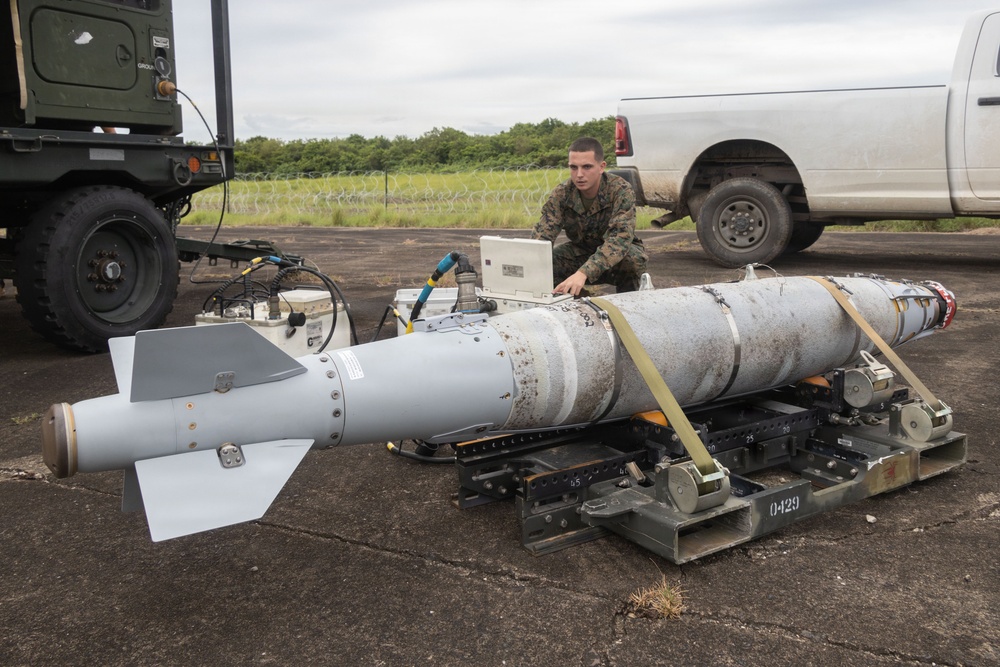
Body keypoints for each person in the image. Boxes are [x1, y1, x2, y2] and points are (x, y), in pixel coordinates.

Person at [531, 137, 647, 296]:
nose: (579, 174)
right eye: (573, 167)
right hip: (581, 252)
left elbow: (619, 239)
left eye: (586, 167)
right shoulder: (562, 194)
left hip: (616, 258)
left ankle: (629, 305)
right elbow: (543, 236)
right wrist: (526, 262)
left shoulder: (620, 190)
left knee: (632, 261)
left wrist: (583, 273)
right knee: (547, 263)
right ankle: (579, 304)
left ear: (601, 167)